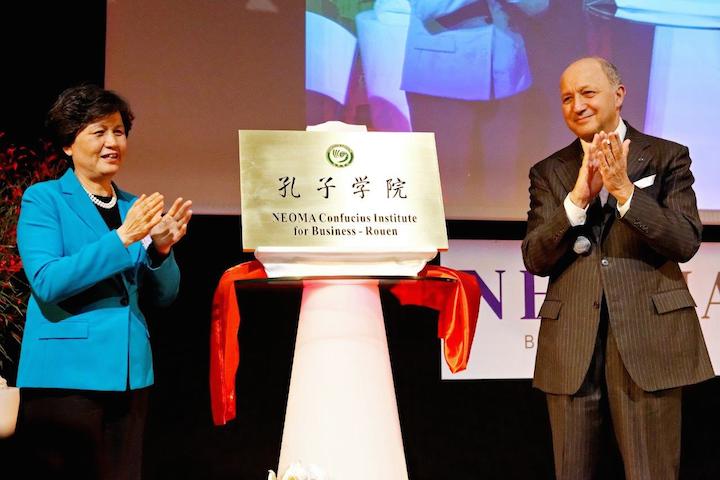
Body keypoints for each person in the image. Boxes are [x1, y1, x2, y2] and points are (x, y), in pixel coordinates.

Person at [521, 57, 713, 479]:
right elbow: (534, 257)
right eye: (567, 98)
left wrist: (625, 191)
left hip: (649, 338)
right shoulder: (549, 171)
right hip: (572, 342)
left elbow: (685, 241)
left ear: (619, 95)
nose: (577, 105)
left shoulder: (666, 157)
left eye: (588, 93)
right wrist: (576, 200)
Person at [15, 84, 192, 479]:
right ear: (67, 145)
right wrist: (122, 238)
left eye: (118, 131)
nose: (112, 142)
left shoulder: (133, 206)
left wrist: (161, 251)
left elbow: (164, 296)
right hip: (64, 377)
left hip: (129, 375)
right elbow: (47, 281)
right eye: (98, 132)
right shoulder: (44, 199)